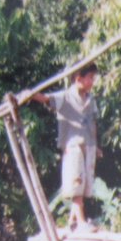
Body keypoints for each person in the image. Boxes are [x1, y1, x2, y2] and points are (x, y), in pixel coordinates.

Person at [27, 62, 101, 231]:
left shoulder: (90, 100)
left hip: (88, 146)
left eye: (93, 78)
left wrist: (95, 146)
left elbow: (93, 124)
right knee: (76, 182)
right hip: (73, 145)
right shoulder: (65, 97)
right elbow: (46, 98)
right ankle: (81, 222)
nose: (92, 81)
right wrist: (31, 95)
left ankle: (72, 221)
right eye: (90, 78)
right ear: (79, 78)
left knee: (85, 184)